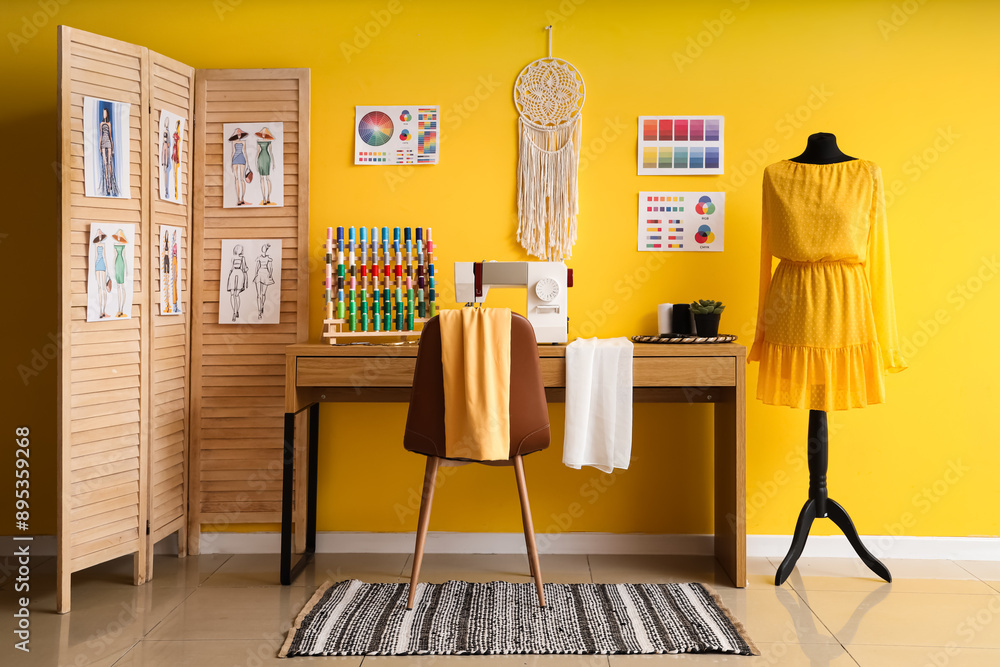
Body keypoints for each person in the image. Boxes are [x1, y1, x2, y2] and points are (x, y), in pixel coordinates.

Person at [99, 107, 119, 197]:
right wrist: (99, 146)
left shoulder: (109, 124)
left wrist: (113, 148)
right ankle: (107, 185)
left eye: (105, 113)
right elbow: (100, 135)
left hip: (109, 143)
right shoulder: (101, 124)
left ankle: (111, 184)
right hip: (103, 143)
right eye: (103, 113)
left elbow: (111, 136)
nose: (104, 115)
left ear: (107, 114)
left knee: (109, 163)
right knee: (105, 164)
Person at [253, 243, 275, 319]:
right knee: (258, 294)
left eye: (264, 248)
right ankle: (259, 311)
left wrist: (270, 274)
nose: (263, 249)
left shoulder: (268, 258)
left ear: (266, 250)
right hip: (259, 274)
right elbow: (256, 267)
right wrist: (255, 274)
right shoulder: (259, 258)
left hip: (266, 274)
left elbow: (271, 268)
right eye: (263, 248)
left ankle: (262, 306)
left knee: (263, 294)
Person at [227, 244, 248, 322]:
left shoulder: (243, 258)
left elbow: (245, 268)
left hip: (240, 274)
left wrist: (246, 280)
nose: (241, 250)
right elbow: (230, 268)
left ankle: (236, 311)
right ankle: (234, 312)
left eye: (241, 249)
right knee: (232, 294)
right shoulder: (232, 257)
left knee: (237, 294)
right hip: (233, 274)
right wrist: (229, 277)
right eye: (240, 249)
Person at [255, 127, 275, 205]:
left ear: (267, 134)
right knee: (261, 178)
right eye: (262, 133)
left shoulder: (269, 141)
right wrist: (256, 163)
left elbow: (271, 152)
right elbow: (257, 152)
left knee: (267, 178)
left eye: (264, 133)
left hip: (267, 158)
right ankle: (263, 197)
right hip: (260, 159)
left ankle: (268, 197)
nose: (263, 135)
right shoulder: (258, 141)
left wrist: (273, 162)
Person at [229, 128, 248, 205]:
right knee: (236, 179)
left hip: (242, 158)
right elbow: (233, 152)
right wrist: (231, 163)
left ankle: (243, 198)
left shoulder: (244, 142)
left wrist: (248, 163)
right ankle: (238, 199)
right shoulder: (233, 142)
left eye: (240, 134)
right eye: (238, 134)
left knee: (242, 179)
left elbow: (245, 152)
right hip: (235, 159)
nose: (239, 135)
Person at [92, 229, 109, 318]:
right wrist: (94, 268)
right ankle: (101, 311)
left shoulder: (103, 245)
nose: (99, 237)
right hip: (97, 265)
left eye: (100, 236)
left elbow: (104, 256)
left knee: (103, 288)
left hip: (102, 265)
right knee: (99, 288)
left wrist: (107, 269)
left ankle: (104, 310)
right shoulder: (96, 245)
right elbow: (95, 256)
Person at [112, 229, 128, 317]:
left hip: (121, 264)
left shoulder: (123, 246)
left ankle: (122, 308)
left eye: (119, 236)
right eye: (117, 236)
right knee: (118, 286)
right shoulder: (115, 245)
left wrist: (127, 270)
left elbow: (124, 258)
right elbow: (114, 257)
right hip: (117, 264)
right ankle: (119, 309)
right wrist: (113, 268)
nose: (118, 238)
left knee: (122, 286)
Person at [161, 130, 172, 200]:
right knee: (165, 173)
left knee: (166, 173)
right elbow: (163, 154)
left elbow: (167, 154)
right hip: (164, 163)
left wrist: (166, 162)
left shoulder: (166, 145)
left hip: (166, 163)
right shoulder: (164, 145)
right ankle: (166, 189)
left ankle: (166, 190)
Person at [172, 120, 181, 200]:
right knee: (174, 172)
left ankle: (175, 190)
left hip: (175, 152)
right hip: (174, 152)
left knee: (175, 172)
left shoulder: (176, 135)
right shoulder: (175, 135)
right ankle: (174, 190)